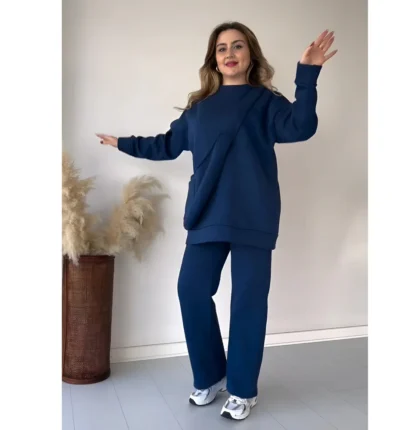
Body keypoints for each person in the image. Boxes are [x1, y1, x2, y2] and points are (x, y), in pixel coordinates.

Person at [96, 21, 337, 421]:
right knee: (191, 290)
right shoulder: (198, 109)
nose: (229, 53)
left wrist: (307, 74)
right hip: (207, 213)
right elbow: (166, 145)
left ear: (250, 54)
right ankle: (211, 375)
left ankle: (242, 389)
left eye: (237, 46)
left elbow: (301, 127)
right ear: (213, 59)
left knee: (247, 303)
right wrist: (122, 143)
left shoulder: (266, 102)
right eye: (222, 48)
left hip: (254, 214)